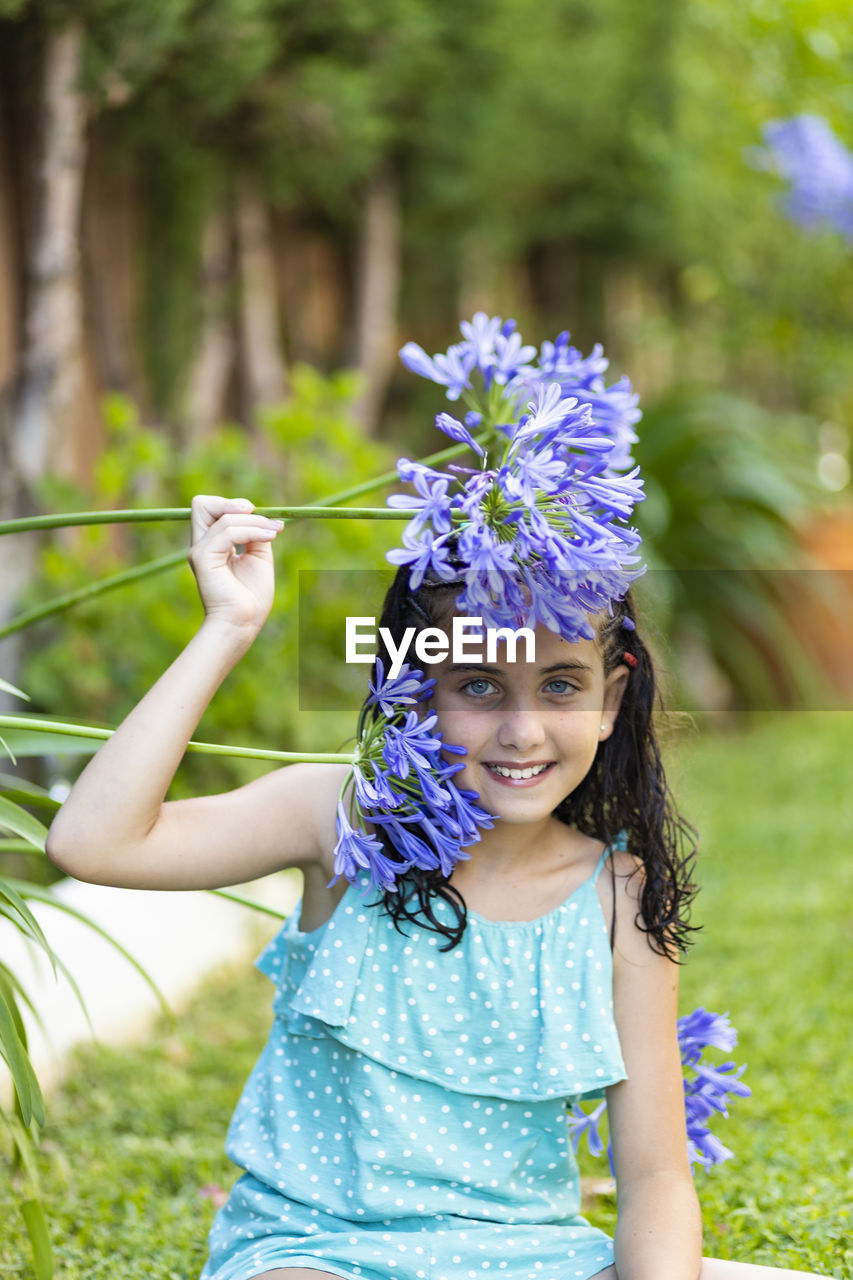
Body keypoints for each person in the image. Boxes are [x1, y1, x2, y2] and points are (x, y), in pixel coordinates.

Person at [46, 495, 833, 1280]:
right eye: (479, 686)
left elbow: (657, 1177)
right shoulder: (340, 820)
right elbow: (94, 842)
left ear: (610, 701)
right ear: (414, 688)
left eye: (560, 686)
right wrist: (229, 627)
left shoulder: (616, 895)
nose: (522, 730)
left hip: (533, 1260)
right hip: (320, 1254)